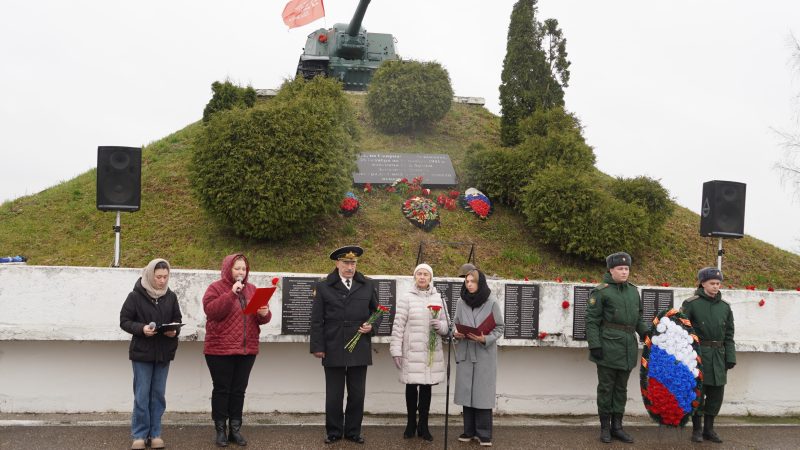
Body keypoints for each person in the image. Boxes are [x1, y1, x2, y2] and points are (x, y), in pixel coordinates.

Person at [310, 245, 379, 445]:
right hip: (333, 344)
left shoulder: (367, 285)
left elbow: (379, 311)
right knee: (334, 394)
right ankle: (333, 431)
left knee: (357, 394)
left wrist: (371, 325)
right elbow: (316, 320)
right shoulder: (324, 287)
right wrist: (318, 346)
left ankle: (353, 431)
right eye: (346, 262)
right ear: (337, 263)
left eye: (353, 263)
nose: (350, 267)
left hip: (359, 344)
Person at [203, 253, 272, 447]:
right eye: (237, 268)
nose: (241, 272)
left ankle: (235, 429)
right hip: (219, 349)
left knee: (239, 391)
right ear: (228, 269)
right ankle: (220, 430)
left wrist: (264, 314)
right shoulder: (215, 288)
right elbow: (212, 312)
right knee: (222, 389)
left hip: (246, 348)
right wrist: (232, 293)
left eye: (244, 269)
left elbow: (262, 318)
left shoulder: (252, 289)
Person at [586, 252, 649, 444]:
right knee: (606, 388)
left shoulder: (632, 291)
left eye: (627, 268)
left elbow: (638, 318)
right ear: (611, 270)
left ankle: (617, 427)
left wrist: (647, 334)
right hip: (607, 347)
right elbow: (592, 321)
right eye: (620, 268)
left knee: (621, 389)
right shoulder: (602, 291)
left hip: (627, 347)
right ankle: (605, 428)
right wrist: (595, 345)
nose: (624, 272)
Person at [120, 258, 182, 450]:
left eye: (165, 277)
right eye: (158, 277)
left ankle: (155, 434)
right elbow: (124, 321)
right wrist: (142, 328)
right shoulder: (135, 296)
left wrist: (174, 330)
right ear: (149, 275)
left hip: (163, 353)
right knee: (141, 394)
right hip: (142, 353)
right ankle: (139, 434)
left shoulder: (170, 296)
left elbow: (177, 319)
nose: (162, 281)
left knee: (157, 395)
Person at [390, 263, 449, 441]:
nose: (422, 277)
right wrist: (396, 350)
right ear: (415, 277)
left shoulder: (439, 299)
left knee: (426, 388)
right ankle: (410, 424)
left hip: (430, 352)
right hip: (411, 351)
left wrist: (441, 327)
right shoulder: (406, 298)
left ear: (431, 278)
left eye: (426, 274)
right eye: (419, 274)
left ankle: (424, 425)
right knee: (411, 387)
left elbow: (447, 325)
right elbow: (398, 326)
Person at [680, 267, 736, 444]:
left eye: (718, 283)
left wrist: (730, 357)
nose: (716, 286)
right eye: (712, 283)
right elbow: (683, 331)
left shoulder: (725, 307)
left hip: (718, 356)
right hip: (698, 355)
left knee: (716, 393)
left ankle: (709, 429)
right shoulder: (691, 303)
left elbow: (729, 334)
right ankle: (696, 429)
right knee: (698, 392)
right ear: (703, 283)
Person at [452, 269, 504, 447]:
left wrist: (485, 339)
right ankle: (468, 431)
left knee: (482, 393)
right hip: (466, 351)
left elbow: (500, 327)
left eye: (472, 281)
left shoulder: (492, 302)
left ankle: (484, 434)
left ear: (480, 282)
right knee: (467, 392)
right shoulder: (461, 301)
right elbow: (455, 323)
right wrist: (456, 333)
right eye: (467, 281)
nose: (469, 284)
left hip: (483, 354)